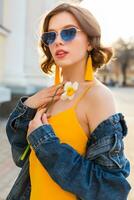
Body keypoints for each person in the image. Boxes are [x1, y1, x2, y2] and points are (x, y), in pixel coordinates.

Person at [6, 3, 131, 200]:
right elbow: (22, 157)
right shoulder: (47, 96)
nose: (57, 41)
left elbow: (111, 189)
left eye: (68, 32)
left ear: (90, 41)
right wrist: (27, 106)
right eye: (50, 35)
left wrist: (46, 143)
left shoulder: (97, 96)